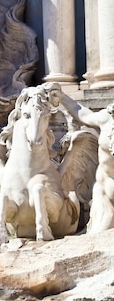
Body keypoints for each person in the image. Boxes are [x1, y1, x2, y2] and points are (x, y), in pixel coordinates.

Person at [46, 83, 114, 233]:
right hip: (104, 196)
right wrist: (63, 97)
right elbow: (83, 114)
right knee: (97, 242)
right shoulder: (107, 117)